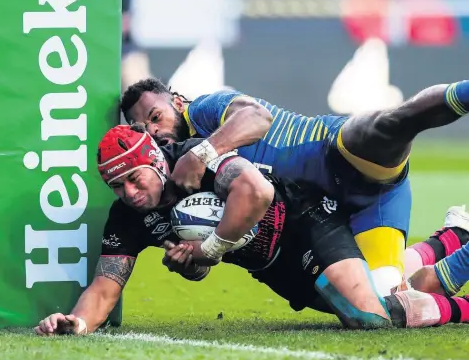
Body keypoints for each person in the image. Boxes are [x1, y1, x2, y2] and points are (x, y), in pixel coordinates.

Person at [34, 125, 469, 336]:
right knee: (391, 295)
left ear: (156, 160)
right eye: (116, 185)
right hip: (274, 267)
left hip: (306, 220)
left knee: (369, 317)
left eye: (134, 178)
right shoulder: (128, 217)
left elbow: (256, 191)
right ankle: (453, 237)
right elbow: (106, 285)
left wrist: (209, 248)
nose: (129, 192)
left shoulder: (194, 159)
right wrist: (77, 321)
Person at [118, 78, 469, 296]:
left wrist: (204, 151)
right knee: (390, 300)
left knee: (391, 125)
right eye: (142, 128)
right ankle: (455, 237)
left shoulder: (205, 110)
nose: (153, 131)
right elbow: (217, 244)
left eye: (155, 117)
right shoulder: (178, 181)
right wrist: (194, 263)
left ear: (177, 103)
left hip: (339, 156)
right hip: (332, 216)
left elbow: (257, 117)